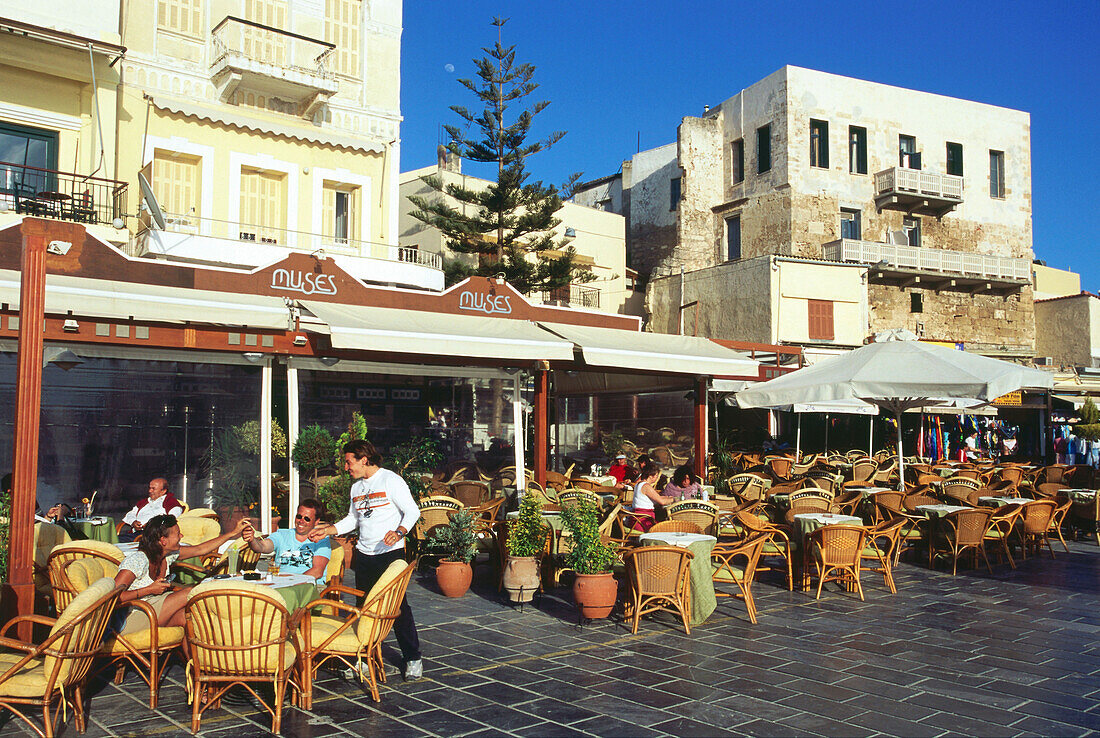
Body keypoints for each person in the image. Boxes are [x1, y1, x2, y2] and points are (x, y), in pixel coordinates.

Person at [308, 440, 423, 680]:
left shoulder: (391, 480)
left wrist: (399, 532)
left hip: (390, 554)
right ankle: (365, 657)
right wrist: (328, 530)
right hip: (365, 554)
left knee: (397, 607)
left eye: (349, 462)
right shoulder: (356, 488)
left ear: (364, 459)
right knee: (364, 607)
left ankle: (412, 658)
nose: (347, 467)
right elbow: (353, 520)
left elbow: (413, 511)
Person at [113, 514, 249, 634]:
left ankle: (196, 663)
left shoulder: (167, 555)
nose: (181, 536)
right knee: (190, 592)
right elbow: (112, 597)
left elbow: (200, 549)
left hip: (152, 609)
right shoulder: (137, 561)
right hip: (130, 618)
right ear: (163, 540)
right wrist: (148, 590)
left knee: (186, 618)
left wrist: (232, 533)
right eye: (177, 533)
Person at [243, 498, 330, 583]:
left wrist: (292, 583)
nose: (301, 521)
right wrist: (252, 540)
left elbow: (317, 572)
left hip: (308, 585)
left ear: (316, 522)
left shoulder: (321, 539)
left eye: (307, 519)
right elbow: (262, 547)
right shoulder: (282, 534)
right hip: (280, 584)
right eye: (299, 517)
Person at [630, 462, 676, 532]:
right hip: (643, 522)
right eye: (656, 476)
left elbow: (657, 497)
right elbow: (662, 502)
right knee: (668, 528)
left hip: (637, 519)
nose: (657, 478)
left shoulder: (639, 484)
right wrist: (675, 499)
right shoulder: (646, 487)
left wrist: (668, 497)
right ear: (651, 476)